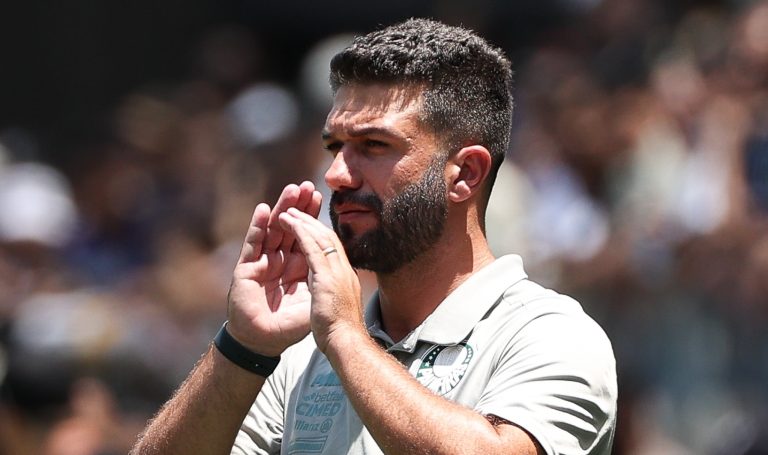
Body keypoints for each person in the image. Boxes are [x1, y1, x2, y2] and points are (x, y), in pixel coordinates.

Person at [131, 18, 617, 455]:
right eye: (335, 146)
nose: (336, 174)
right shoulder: (301, 357)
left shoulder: (548, 334)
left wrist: (346, 337)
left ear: (465, 173)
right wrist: (244, 344)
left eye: (374, 146)